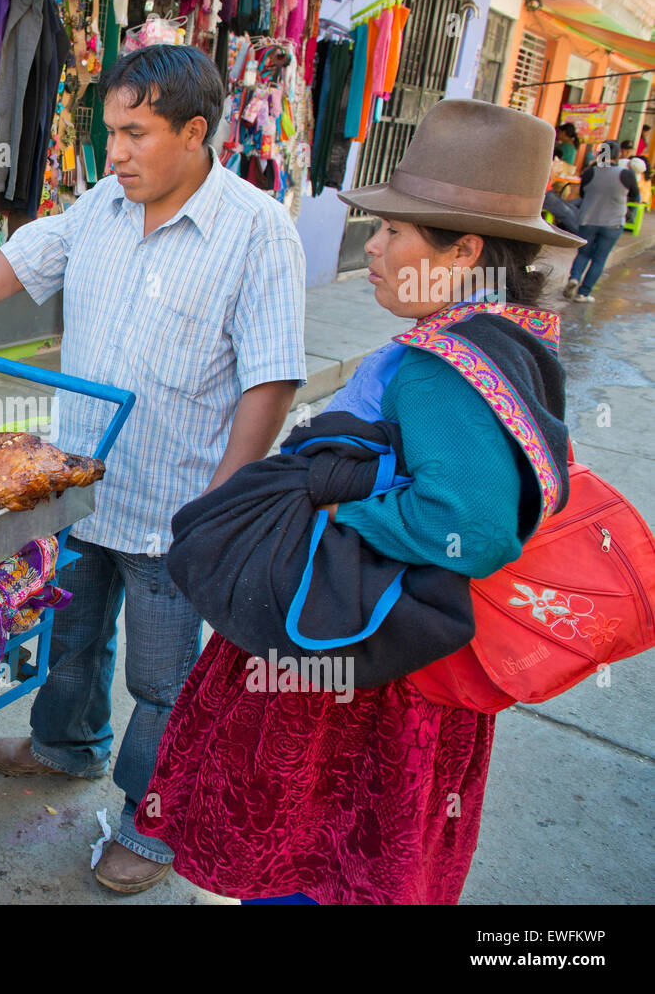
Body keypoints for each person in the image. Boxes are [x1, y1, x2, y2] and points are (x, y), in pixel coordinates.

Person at [135, 99, 584, 904]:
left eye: (392, 232)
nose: (371, 247)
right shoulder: (504, 333)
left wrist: (345, 511)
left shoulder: (443, 368)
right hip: (395, 659)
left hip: (368, 675)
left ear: (466, 250)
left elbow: (471, 528)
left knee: (314, 859)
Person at [0, 44, 307, 893]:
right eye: (109, 131)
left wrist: (224, 502)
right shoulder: (101, 207)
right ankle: (64, 745)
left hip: (175, 506)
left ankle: (150, 827)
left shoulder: (258, 231)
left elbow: (272, 375)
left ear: (196, 132)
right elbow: (18, 263)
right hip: (76, 489)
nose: (113, 151)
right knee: (69, 638)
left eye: (134, 133)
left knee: (161, 683)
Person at [565, 140, 643, 302]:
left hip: (588, 219)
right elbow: (636, 196)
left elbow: (583, 194)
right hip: (613, 223)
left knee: (583, 253)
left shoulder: (590, 172)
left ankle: (574, 277)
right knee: (599, 258)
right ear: (618, 154)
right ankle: (583, 293)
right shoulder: (626, 174)